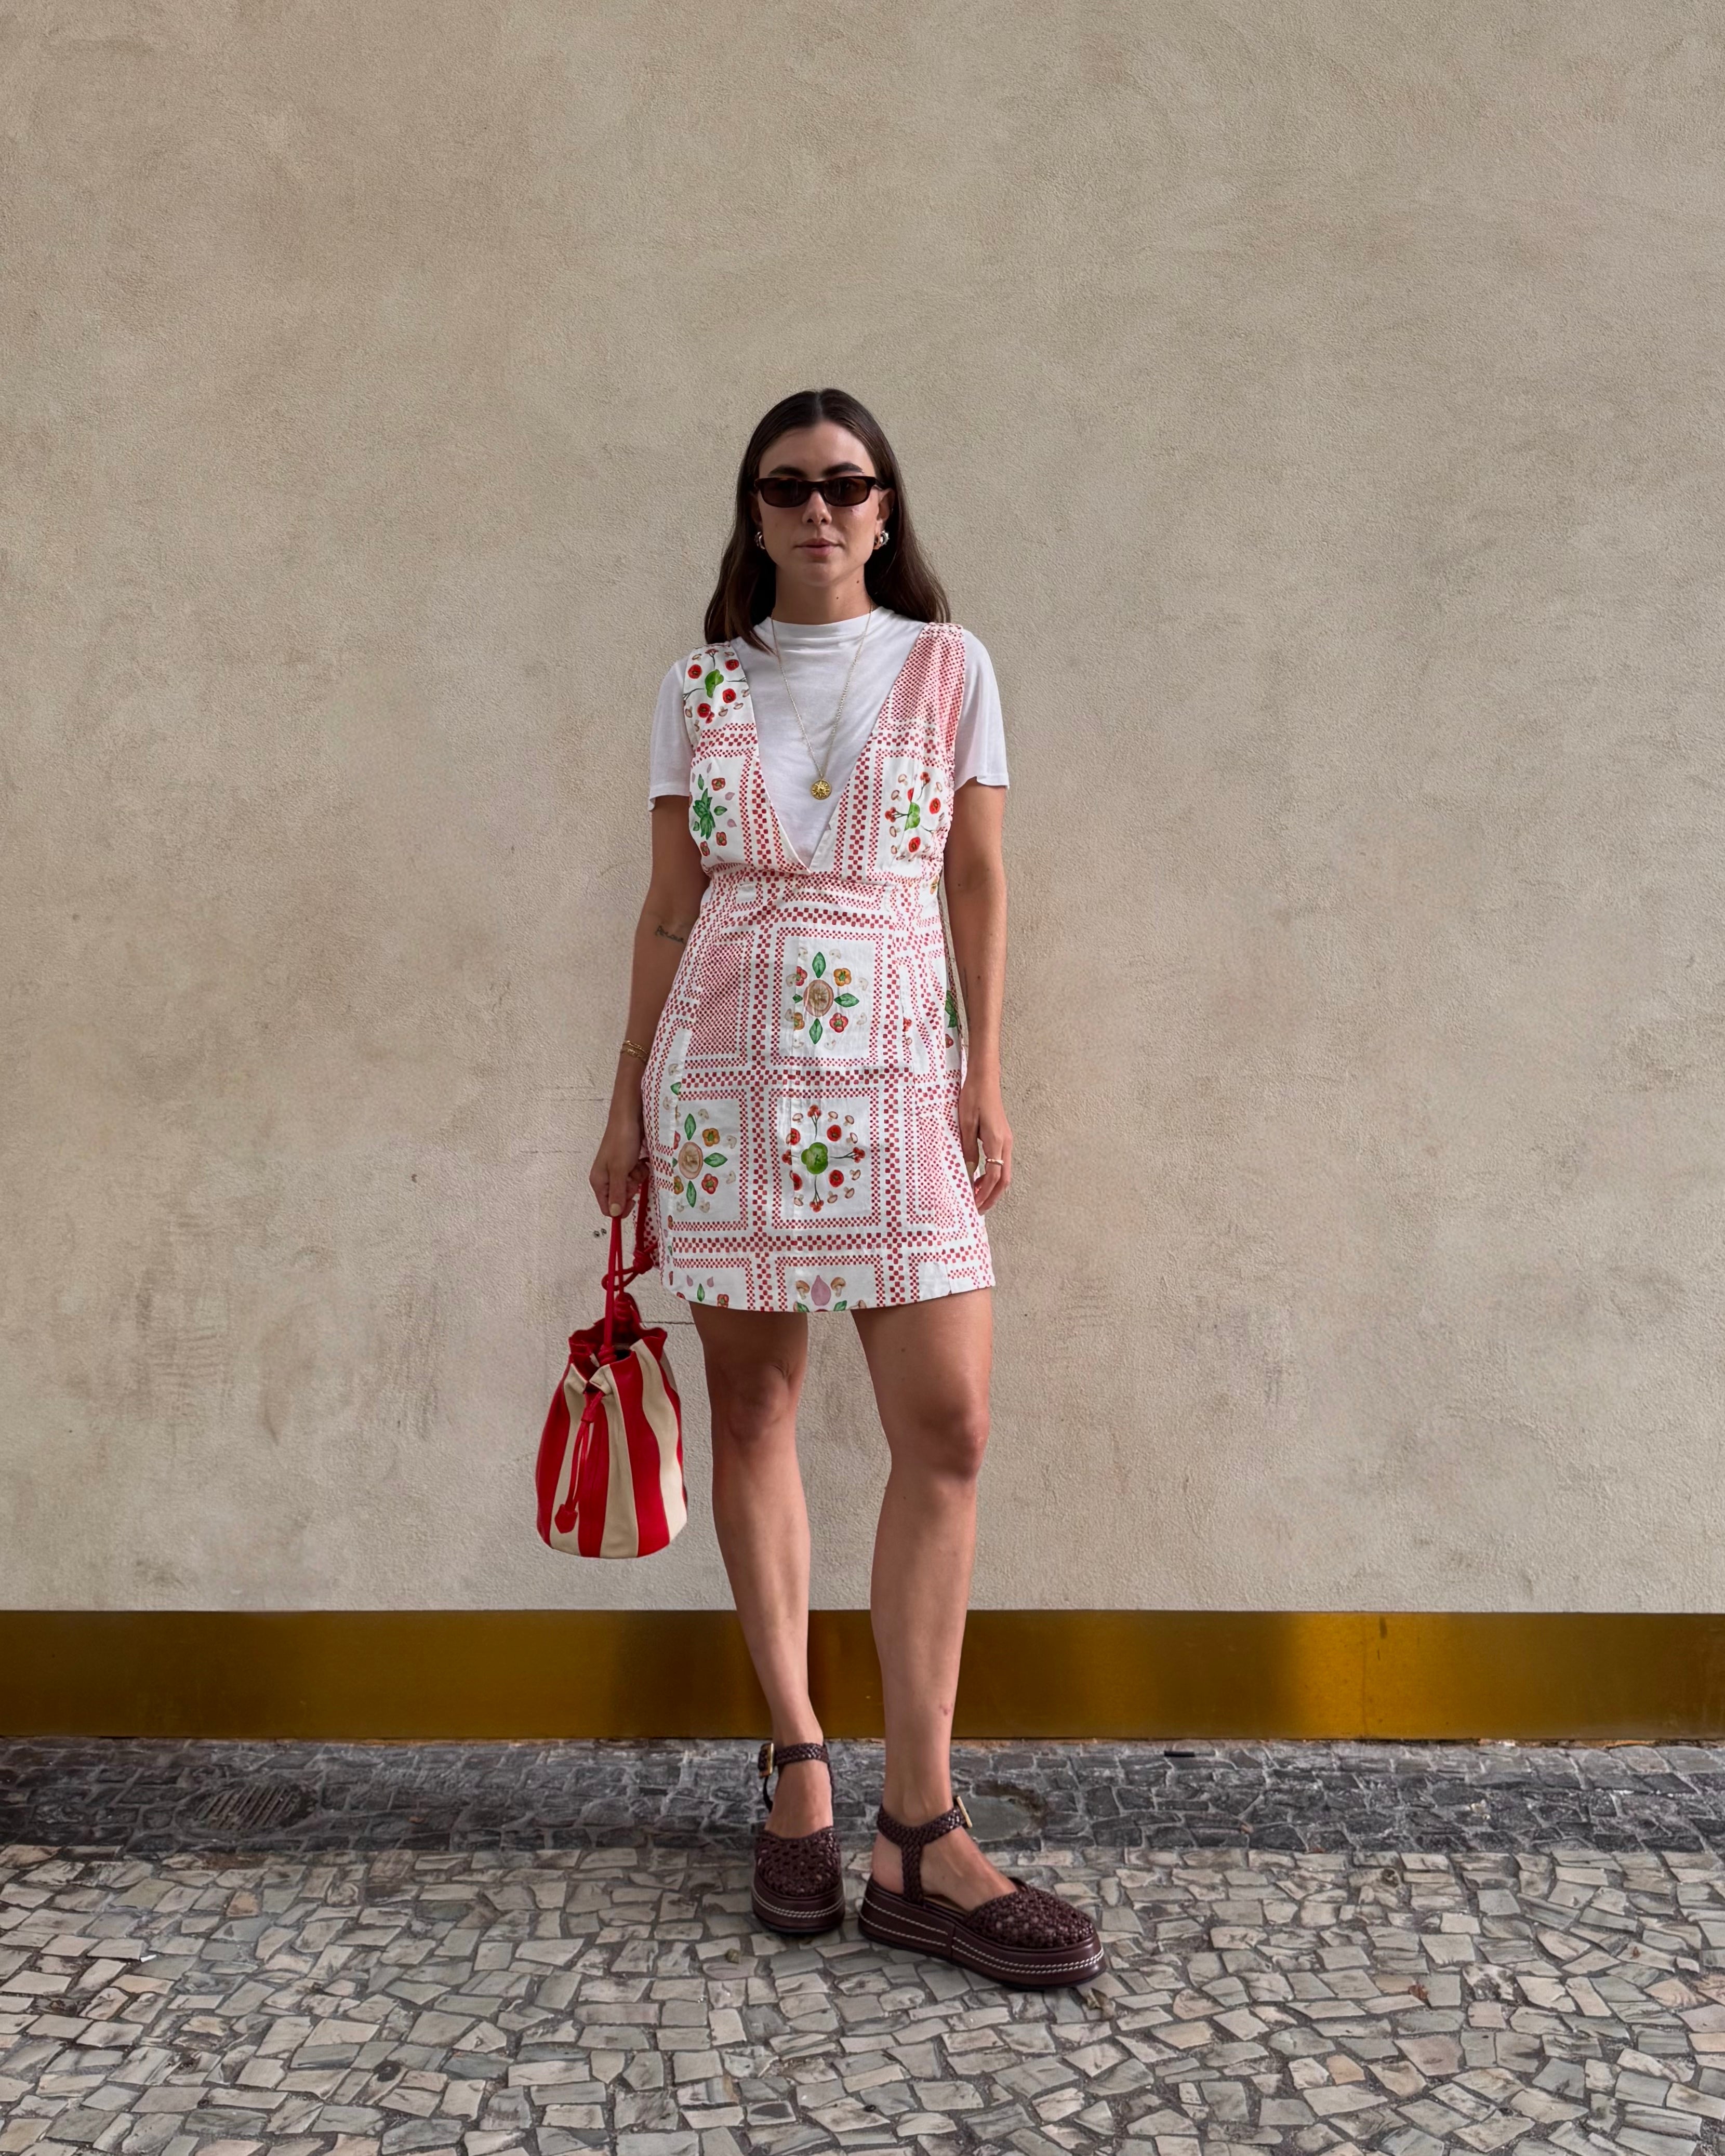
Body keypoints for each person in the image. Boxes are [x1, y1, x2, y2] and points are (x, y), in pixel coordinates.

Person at [588, 387, 1103, 1987]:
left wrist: (985, 1074)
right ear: (752, 511)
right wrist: (625, 1106)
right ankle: (801, 1767)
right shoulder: (695, 685)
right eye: (788, 486)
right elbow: (670, 908)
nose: (820, 509)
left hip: (892, 1068)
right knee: (752, 1413)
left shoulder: (952, 668)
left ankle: (921, 1825)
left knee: (947, 1425)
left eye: (848, 484)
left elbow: (979, 876)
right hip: (729, 1070)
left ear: (888, 508)